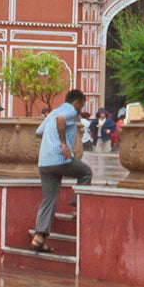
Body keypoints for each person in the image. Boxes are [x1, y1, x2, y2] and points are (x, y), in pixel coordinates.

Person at [32, 89, 93, 253]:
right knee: (86, 172)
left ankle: (39, 237)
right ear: (76, 102)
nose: (81, 108)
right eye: (82, 104)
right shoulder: (69, 111)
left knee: (48, 200)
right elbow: (61, 120)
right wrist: (63, 143)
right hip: (60, 158)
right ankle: (75, 207)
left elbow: (39, 132)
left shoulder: (53, 112)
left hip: (44, 162)